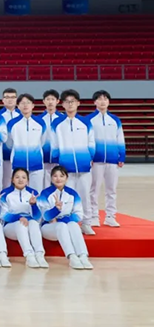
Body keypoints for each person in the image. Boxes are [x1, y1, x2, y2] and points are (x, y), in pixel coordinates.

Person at [51, 89, 96, 235]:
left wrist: (89, 158)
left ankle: (86, 223)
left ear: (78, 103)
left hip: (84, 166)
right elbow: (54, 145)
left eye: (73, 101)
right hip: (65, 168)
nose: (70, 104)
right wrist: (58, 163)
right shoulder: (57, 123)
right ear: (62, 104)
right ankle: (69, 223)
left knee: (85, 196)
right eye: (67, 102)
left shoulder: (85, 122)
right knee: (67, 197)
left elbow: (91, 143)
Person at [39, 165, 93, 270]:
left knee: (74, 225)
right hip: (48, 228)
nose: (58, 179)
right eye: (55, 176)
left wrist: (61, 219)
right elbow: (45, 216)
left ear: (66, 178)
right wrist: (56, 209)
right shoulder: (45, 194)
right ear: (51, 178)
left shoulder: (73, 194)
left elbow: (78, 215)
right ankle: (72, 257)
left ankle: (83, 256)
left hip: (64, 224)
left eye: (61, 176)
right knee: (62, 226)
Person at [88, 90, 125, 228]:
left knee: (111, 189)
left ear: (109, 102)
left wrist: (121, 155)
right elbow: (87, 140)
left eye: (105, 99)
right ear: (95, 102)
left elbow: (120, 138)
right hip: (95, 161)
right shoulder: (89, 120)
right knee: (94, 189)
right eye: (99, 99)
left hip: (112, 159)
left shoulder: (115, 120)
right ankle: (94, 216)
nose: (102, 102)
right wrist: (89, 156)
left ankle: (110, 216)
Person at [0, 167, 46, 268]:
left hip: (29, 224)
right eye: (17, 177)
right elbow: (3, 215)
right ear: (12, 180)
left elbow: (38, 216)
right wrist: (18, 217)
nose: (20, 180)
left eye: (23, 177)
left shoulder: (33, 193)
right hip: (11, 227)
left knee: (34, 223)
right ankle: (29, 256)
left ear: (27, 180)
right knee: (20, 224)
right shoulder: (5, 194)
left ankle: (39, 255)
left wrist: (33, 205)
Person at [6, 94, 47, 192]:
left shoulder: (40, 123)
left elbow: (43, 141)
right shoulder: (12, 123)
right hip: (18, 163)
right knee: (18, 192)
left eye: (28, 103)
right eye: (22, 103)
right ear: (18, 106)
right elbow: (9, 143)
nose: (25, 105)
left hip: (36, 163)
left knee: (36, 192)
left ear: (33, 105)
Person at [39, 89, 64, 188]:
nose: (50, 102)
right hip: (43, 158)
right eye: (48, 99)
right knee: (44, 186)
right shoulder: (38, 119)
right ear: (43, 101)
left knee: (59, 185)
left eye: (52, 99)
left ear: (57, 101)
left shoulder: (63, 118)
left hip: (59, 158)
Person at [0, 88, 20, 189]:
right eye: (7, 97)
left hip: (19, 154)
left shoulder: (22, 115)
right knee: (5, 183)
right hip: (4, 155)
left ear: (16, 99)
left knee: (20, 181)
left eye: (13, 97)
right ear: (3, 100)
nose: (10, 100)